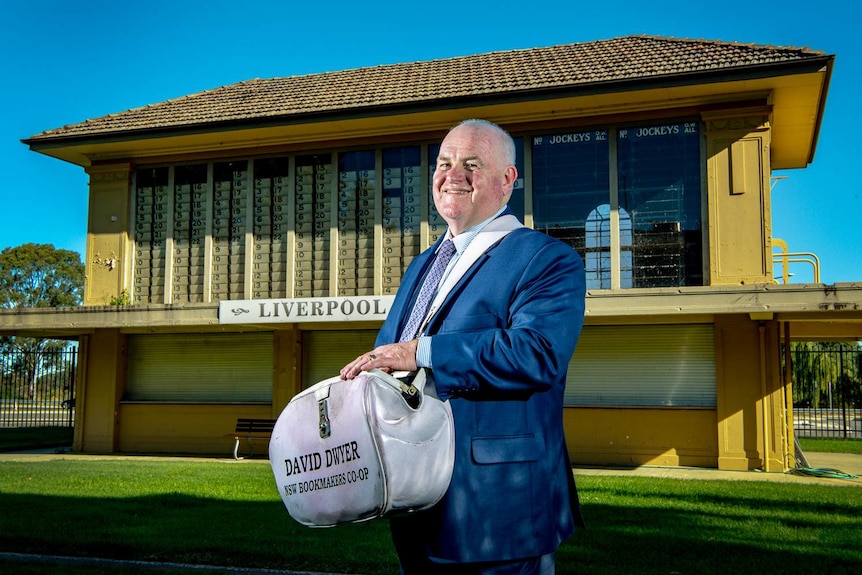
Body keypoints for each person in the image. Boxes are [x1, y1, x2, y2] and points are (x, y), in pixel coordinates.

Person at [340, 119, 586, 574]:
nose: (453, 175)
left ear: (507, 179)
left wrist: (422, 352)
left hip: (498, 515)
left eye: (472, 164)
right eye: (445, 163)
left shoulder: (547, 258)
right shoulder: (421, 265)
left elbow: (537, 353)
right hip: (417, 507)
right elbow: (391, 355)